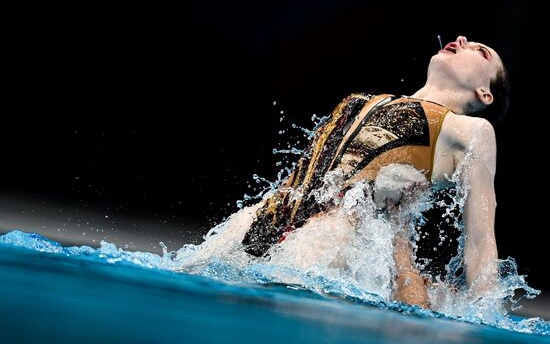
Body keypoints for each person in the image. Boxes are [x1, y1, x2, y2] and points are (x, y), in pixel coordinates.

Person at [202, 36, 510, 309]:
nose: (462, 38)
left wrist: (486, 318)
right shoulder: (364, 100)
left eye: (481, 52)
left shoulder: (473, 130)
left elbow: (480, 242)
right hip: (261, 219)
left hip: (330, 236)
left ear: (484, 93)